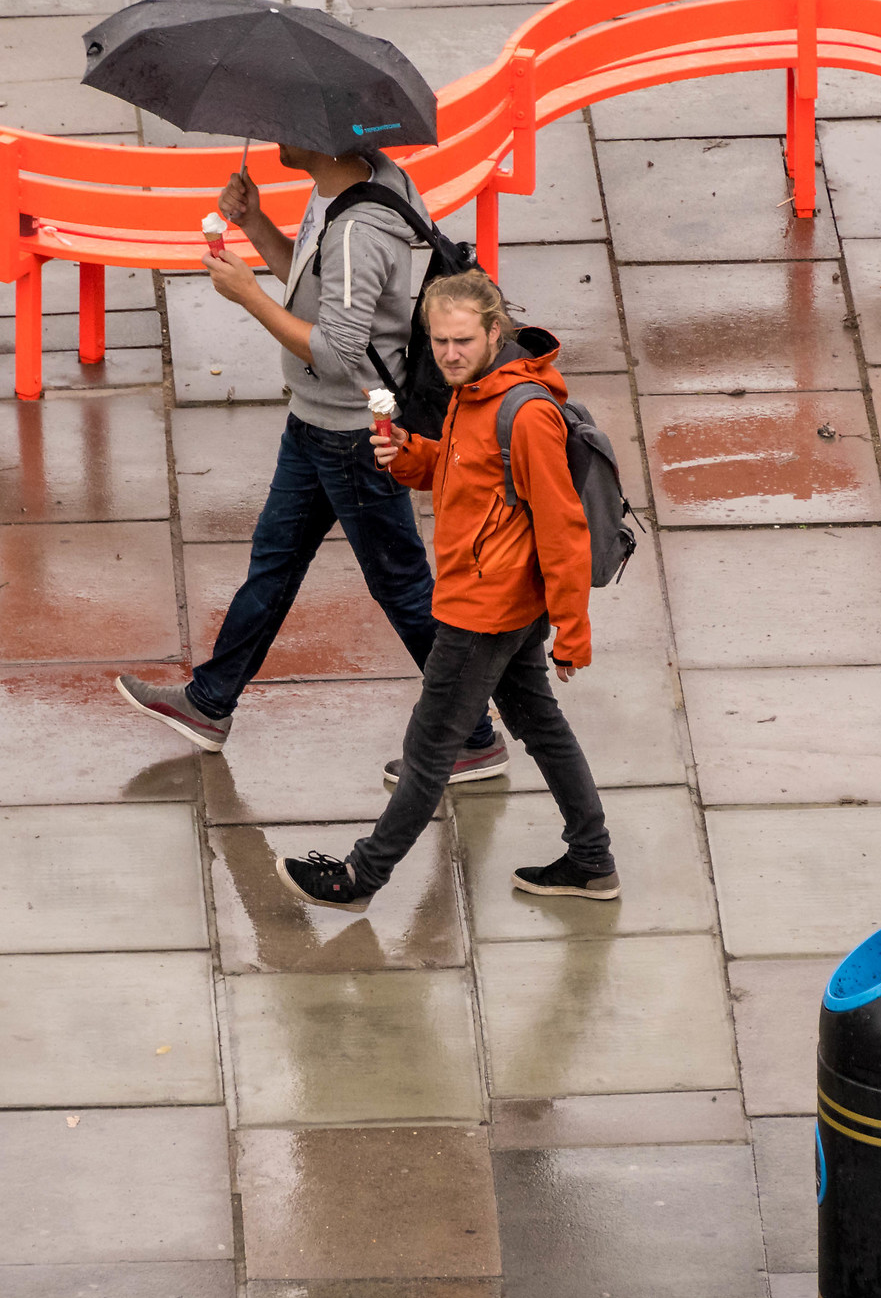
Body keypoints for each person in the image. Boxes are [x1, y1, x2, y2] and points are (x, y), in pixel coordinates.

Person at [114, 142, 504, 780]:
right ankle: (209, 702)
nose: (276, 139)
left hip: (352, 435)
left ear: (321, 138)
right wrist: (256, 223)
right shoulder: (347, 188)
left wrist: (248, 296)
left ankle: (473, 735)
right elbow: (318, 291)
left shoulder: (356, 232)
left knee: (402, 587)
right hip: (317, 422)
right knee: (274, 564)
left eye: (286, 130)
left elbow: (338, 351)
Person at [277, 270, 618, 911]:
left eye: (462, 341)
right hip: (498, 598)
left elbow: (563, 528)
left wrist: (573, 630)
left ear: (494, 332)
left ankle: (359, 878)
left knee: (429, 749)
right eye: (439, 342)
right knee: (541, 727)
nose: (450, 354)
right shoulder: (475, 391)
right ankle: (592, 860)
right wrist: (411, 454)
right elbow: (466, 474)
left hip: (485, 610)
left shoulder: (525, 414)